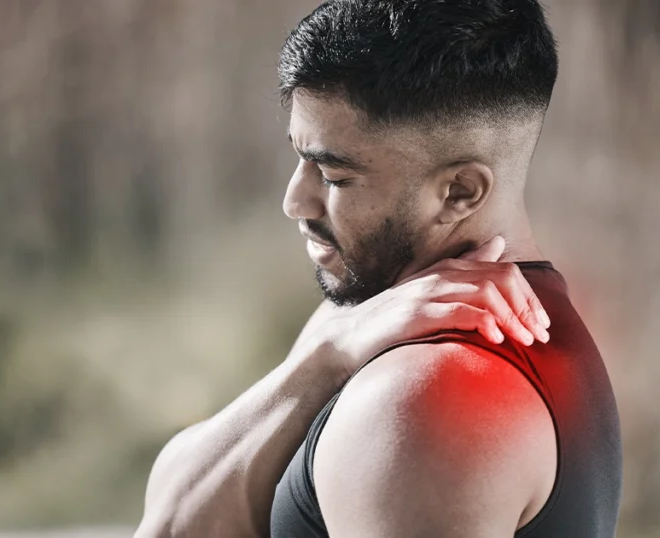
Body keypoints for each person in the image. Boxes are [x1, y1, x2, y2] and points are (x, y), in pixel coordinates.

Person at [136, 1, 622, 537]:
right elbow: (170, 517)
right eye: (301, 158)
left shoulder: (430, 394)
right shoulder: (363, 323)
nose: (295, 201)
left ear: (460, 192)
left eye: (335, 176)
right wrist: (326, 357)